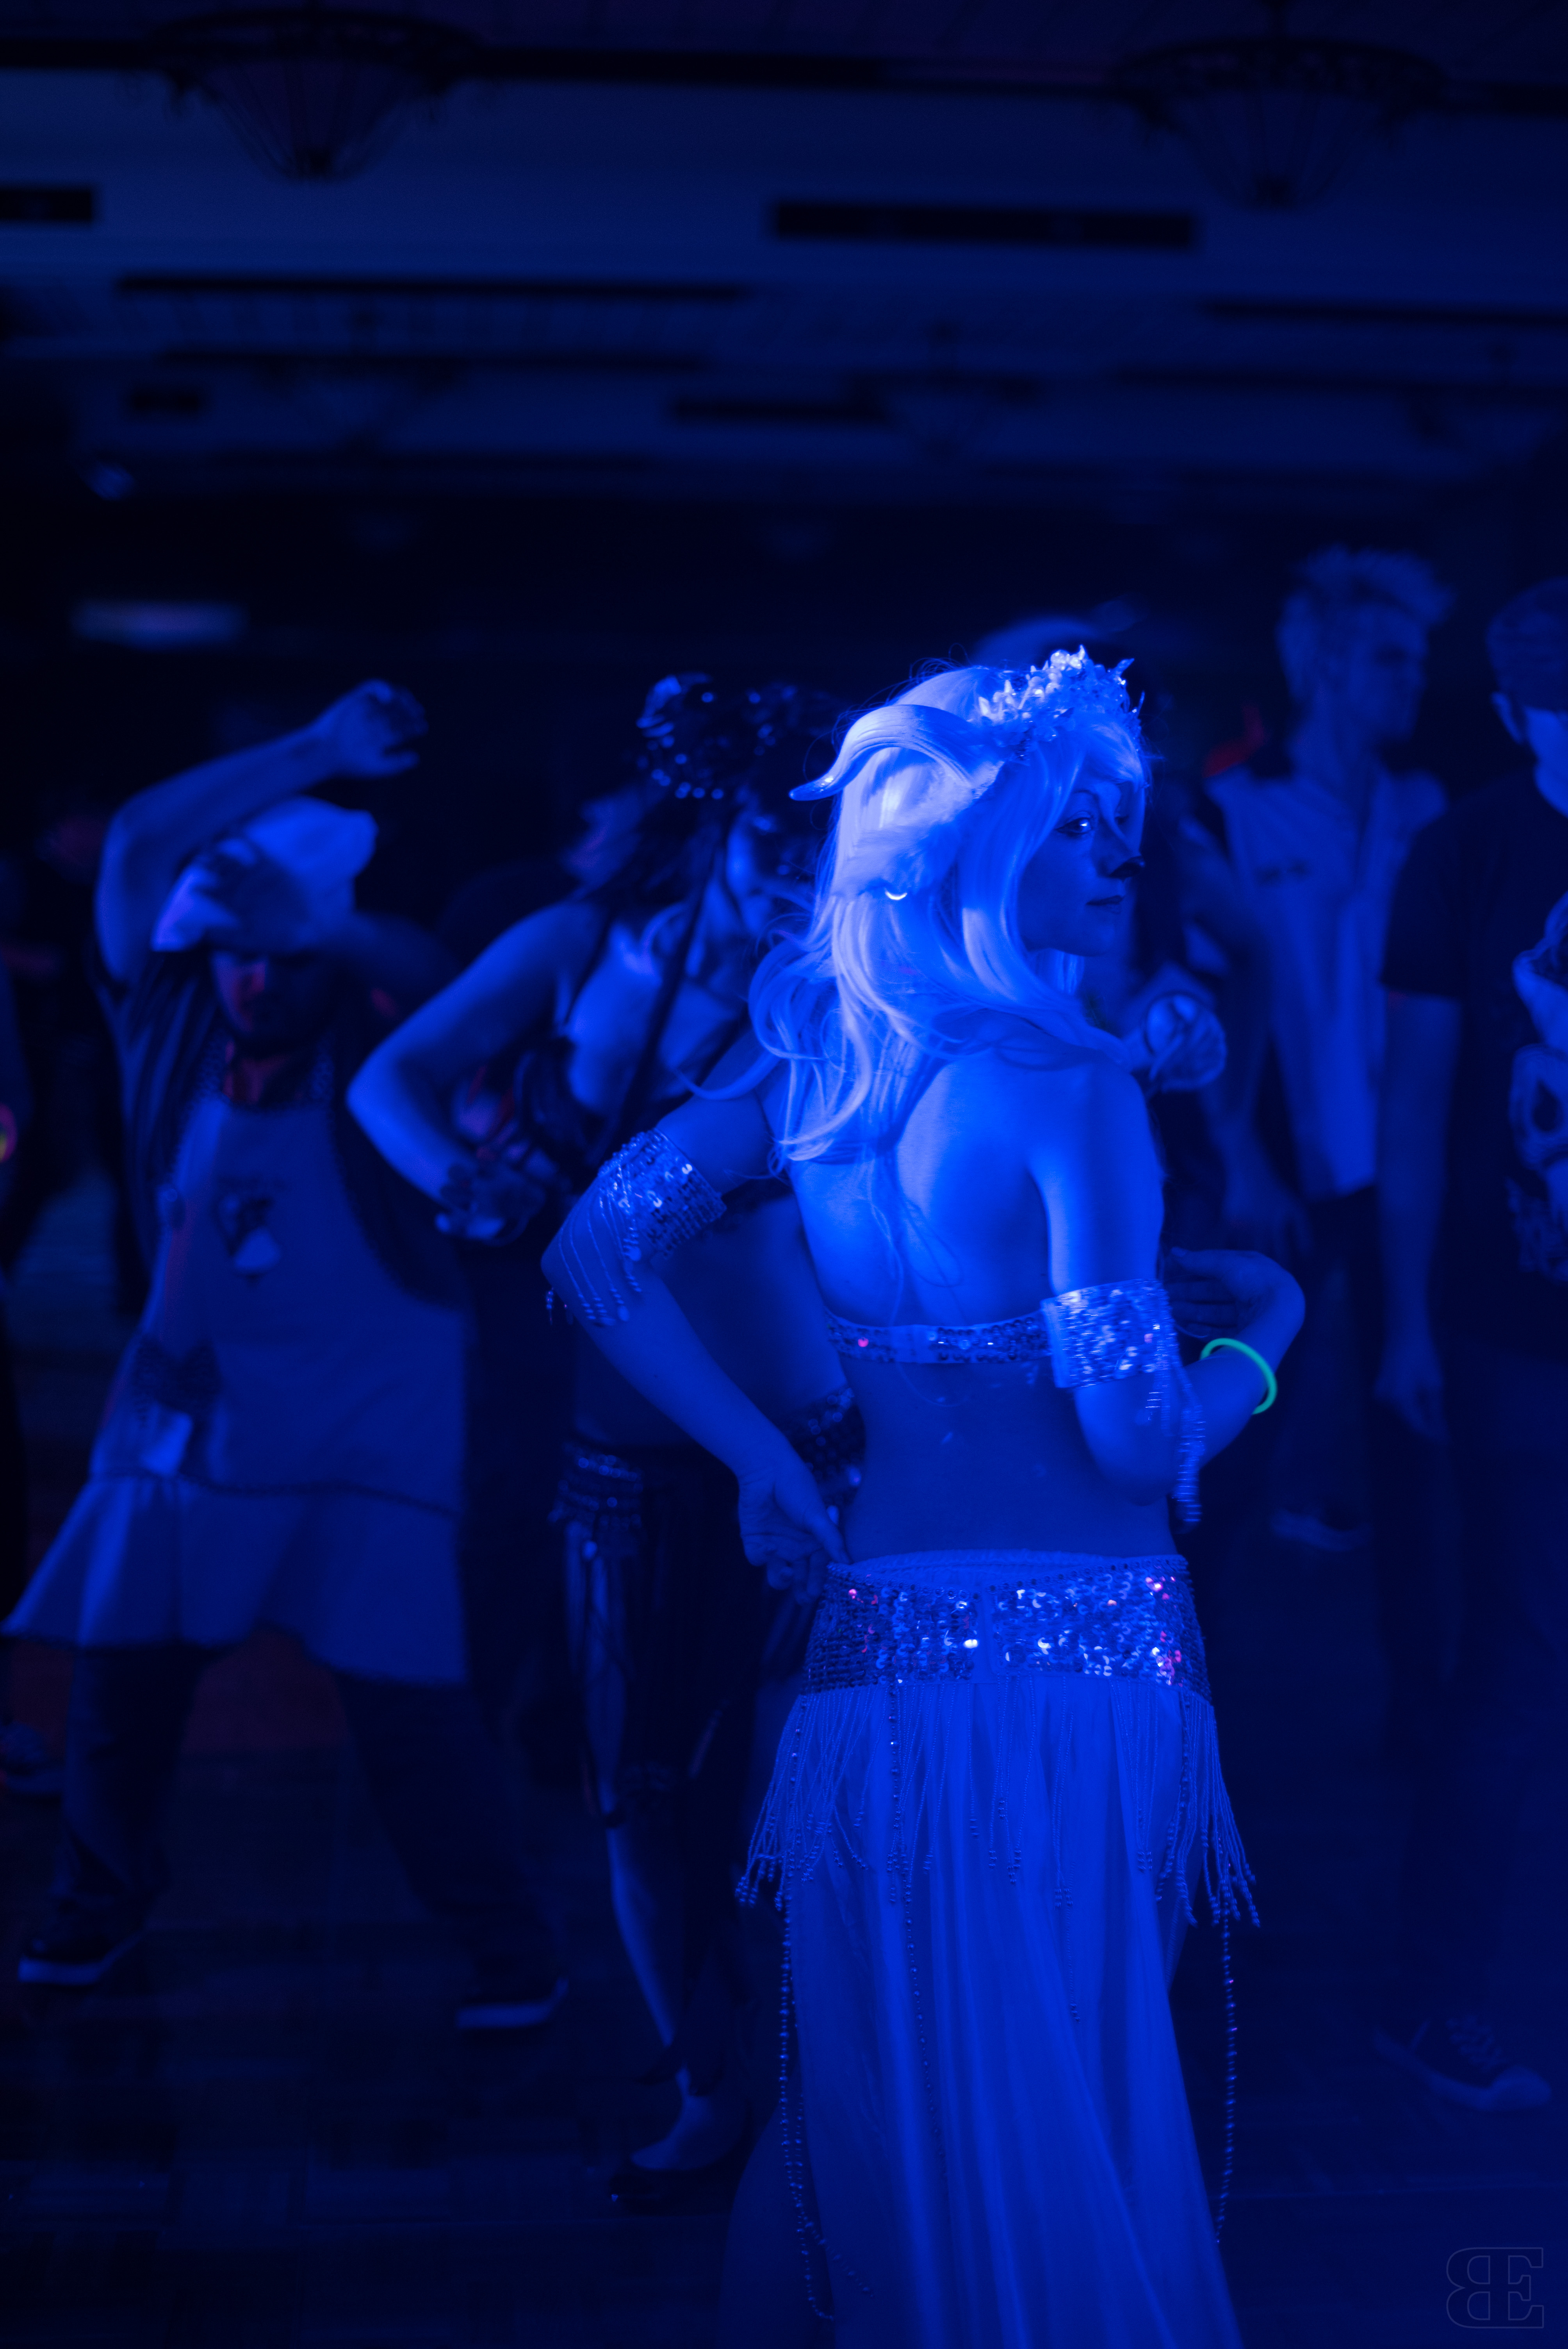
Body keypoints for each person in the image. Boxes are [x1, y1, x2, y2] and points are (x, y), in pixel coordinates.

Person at [542, 651, 1304, 2345]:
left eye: (1113, 821)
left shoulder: (820, 1066)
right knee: (1061, 2095)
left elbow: (594, 1251)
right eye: (1073, 825)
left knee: (871, 2110)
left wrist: (758, 1456)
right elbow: (1138, 1444)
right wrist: (1266, 1339)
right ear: (972, 849)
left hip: (873, 1661)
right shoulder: (1070, 1086)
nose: (1118, 854)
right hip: (1081, 1671)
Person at [349, 675, 864, 2202]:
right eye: (773, 840)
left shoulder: (850, 984)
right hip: (622, 1445)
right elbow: (390, 1077)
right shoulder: (585, 946)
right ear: (714, 817)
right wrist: (468, 1182)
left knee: (803, 1782)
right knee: (641, 1790)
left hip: (811, 1438)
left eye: (824, 848)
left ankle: (834, 2079)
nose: (794, 873)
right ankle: (707, 2086)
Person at [5, 684, 563, 2030]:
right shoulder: (169, 1025)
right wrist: (315, 751)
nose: (255, 981)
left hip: (371, 1424)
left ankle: (510, 1947)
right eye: (236, 956)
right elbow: (139, 846)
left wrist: (335, 929)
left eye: (285, 960)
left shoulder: (390, 1045)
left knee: (409, 1700)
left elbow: (444, 986)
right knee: (123, 1671)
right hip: (190, 1409)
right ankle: (95, 1901)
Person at [1372, 579, 1568, 2111]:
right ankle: (1437, 2000)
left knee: (1516, 1659)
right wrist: (1403, 1322)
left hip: (1503, 1321)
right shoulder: (1468, 849)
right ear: (1511, 716)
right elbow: (1414, 1099)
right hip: (1514, 1325)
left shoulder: (1466, 845)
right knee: (1518, 1660)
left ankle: (1444, 1999)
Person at [1206, 547, 1452, 1749]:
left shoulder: (1425, 808)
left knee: (1416, 1439)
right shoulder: (1236, 809)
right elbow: (1208, 1002)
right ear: (1324, 664)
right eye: (1390, 657)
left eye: (1419, 659)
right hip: (1288, 1175)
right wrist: (1242, 1160)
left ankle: (1425, 1708)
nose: (1413, 681)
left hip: (1408, 1171)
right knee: (1237, 1439)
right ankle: (1191, 1703)